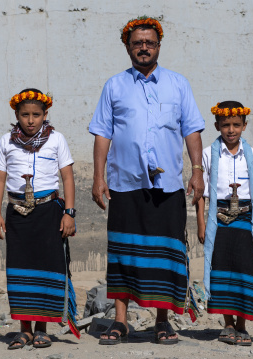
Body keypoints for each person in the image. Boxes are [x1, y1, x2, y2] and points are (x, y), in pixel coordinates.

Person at [89, 16, 205, 345]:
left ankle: (163, 322)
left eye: (149, 43)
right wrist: (99, 176)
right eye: (137, 43)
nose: (144, 48)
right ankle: (121, 321)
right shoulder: (114, 86)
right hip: (125, 183)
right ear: (127, 46)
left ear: (158, 46)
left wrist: (197, 171)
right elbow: (102, 133)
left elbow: (192, 130)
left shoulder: (178, 84)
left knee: (166, 252)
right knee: (124, 252)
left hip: (167, 186)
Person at [0, 88, 80, 350]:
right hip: (17, 215)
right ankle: (24, 329)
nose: (30, 120)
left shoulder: (56, 140)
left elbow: (67, 177)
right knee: (20, 270)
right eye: (25, 115)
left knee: (46, 269)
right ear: (16, 115)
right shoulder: (6, 141)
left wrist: (69, 213)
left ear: (45, 115)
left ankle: (42, 328)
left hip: (48, 212)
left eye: (36, 115)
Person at [196, 101, 253, 346]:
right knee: (222, 269)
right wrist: (200, 223)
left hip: (245, 220)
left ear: (244, 126)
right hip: (219, 220)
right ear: (217, 125)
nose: (231, 130)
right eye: (225, 125)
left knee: (245, 269)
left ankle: (242, 325)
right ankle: (227, 324)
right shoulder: (209, 154)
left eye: (236, 125)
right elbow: (202, 193)